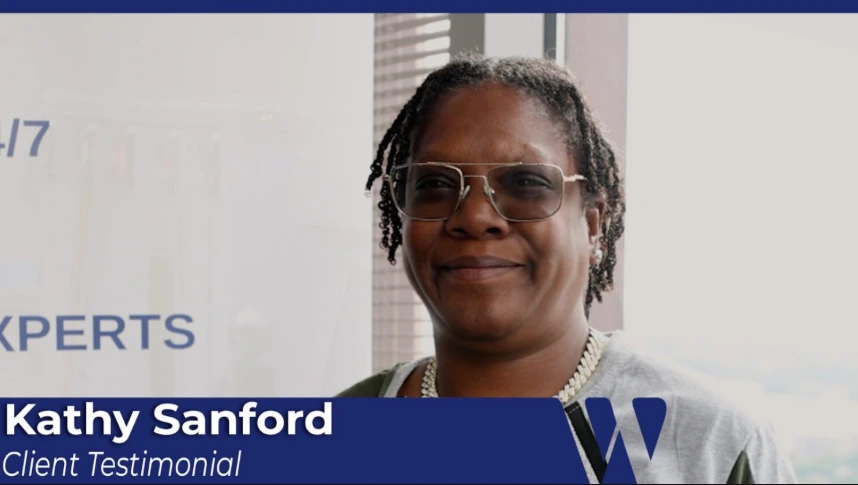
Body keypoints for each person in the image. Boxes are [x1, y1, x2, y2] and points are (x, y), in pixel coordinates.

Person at [338, 54, 797, 484]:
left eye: (526, 183)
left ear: (593, 226)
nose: (475, 217)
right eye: (435, 183)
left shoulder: (712, 444)